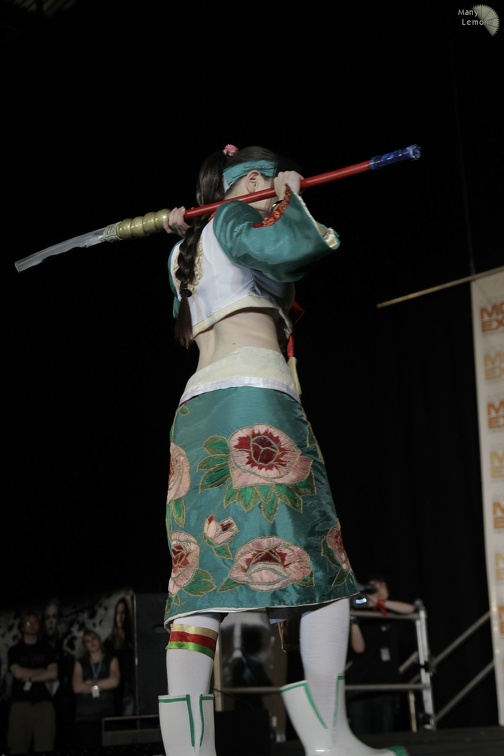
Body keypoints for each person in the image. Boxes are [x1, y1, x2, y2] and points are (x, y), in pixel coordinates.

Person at [157, 143, 409, 756]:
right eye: (257, 179)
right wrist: (291, 196)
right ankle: (329, 740)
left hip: (198, 412)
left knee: (199, 576)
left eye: (269, 179)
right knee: (323, 566)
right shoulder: (235, 219)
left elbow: (253, 275)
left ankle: (190, 751)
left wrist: (195, 222)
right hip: (255, 402)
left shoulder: (186, 249)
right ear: (239, 185)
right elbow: (294, 248)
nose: (265, 187)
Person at [346, 577, 416, 736]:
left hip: (386, 685)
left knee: (385, 735)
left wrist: (380, 602)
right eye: (373, 587)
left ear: (388, 592)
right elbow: (358, 648)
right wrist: (354, 621)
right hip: (361, 686)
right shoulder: (360, 612)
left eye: (381, 586)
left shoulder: (391, 612)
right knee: (362, 735)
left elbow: (410, 609)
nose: (377, 590)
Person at [6, 610, 58, 754]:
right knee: (17, 746)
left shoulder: (47, 649)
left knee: (46, 745)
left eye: (35, 622)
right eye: (28, 623)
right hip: (20, 702)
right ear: (22, 627)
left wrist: (29, 677)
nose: (32, 625)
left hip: (44, 702)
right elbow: (17, 673)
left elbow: (53, 673)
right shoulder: (14, 650)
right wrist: (42, 671)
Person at [72, 628, 120, 748]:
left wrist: (91, 684)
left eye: (94, 638)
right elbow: (77, 687)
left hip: (106, 713)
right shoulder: (80, 662)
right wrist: (103, 684)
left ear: (99, 639)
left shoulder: (111, 659)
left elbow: (114, 681)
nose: (92, 642)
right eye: (87, 641)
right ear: (85, 646)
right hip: (85, 716)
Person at [41, 597, 76, 749]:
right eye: (47, 617)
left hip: (63, 710)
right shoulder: (36, 648)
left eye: (54, 617)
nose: (50, 622)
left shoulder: (67, 649)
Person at [104, 596, 135, 716]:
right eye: (117, 613)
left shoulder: (132, 638)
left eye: (123, 613)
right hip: (116, 686)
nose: (120, 617)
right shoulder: (109, 641)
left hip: (131, 684)